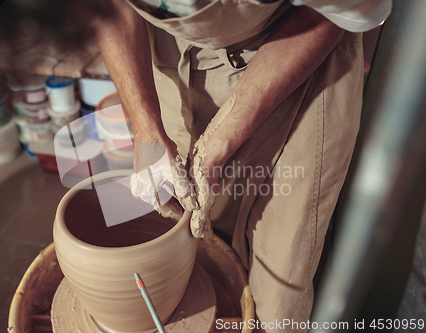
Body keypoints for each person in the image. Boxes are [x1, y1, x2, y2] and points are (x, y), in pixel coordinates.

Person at [90, 0, 392, 331]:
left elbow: (329, 14)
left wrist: (221, 141)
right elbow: (108, 5)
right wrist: (146, 131)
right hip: (171, 52)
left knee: (278, 285)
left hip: (297, 52)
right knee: (198, 234)